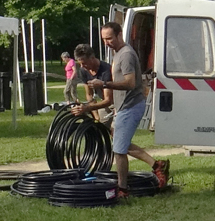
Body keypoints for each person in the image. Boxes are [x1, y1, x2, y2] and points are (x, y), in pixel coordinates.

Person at [71, 22, 169, 195]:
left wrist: (104, 83)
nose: (107, 42)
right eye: (103, 39)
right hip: (123, 108)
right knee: (120, 145)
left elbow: (130, 83)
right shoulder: (118, 54)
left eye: (109, 38)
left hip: (131, 107)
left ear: (119, 35)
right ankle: (157, 166)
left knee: (119, 150)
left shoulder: (126, 55)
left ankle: (123, 189)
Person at [71, 44, 111, 122]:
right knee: (99, 126)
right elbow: (89, 94)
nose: (82, 66)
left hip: (116, 103)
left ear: (92, 58)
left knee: (115, 130)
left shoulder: (106, 70)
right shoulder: (83, 71)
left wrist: (88, 107)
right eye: (80, 64)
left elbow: (108, 100)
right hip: (103, 102)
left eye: (84, 63)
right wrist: (96, 116)